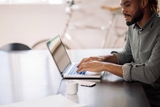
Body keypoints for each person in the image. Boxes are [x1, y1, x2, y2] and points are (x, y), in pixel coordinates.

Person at [77, 0, 160, 107]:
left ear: (144, 3)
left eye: (127, 5)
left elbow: (150, 73)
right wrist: (101, 59)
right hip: (136, 91)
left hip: (152, 100)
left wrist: (104, 66)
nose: (123, 11)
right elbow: (127, 54)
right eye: (122, 6)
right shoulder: (133, 24)